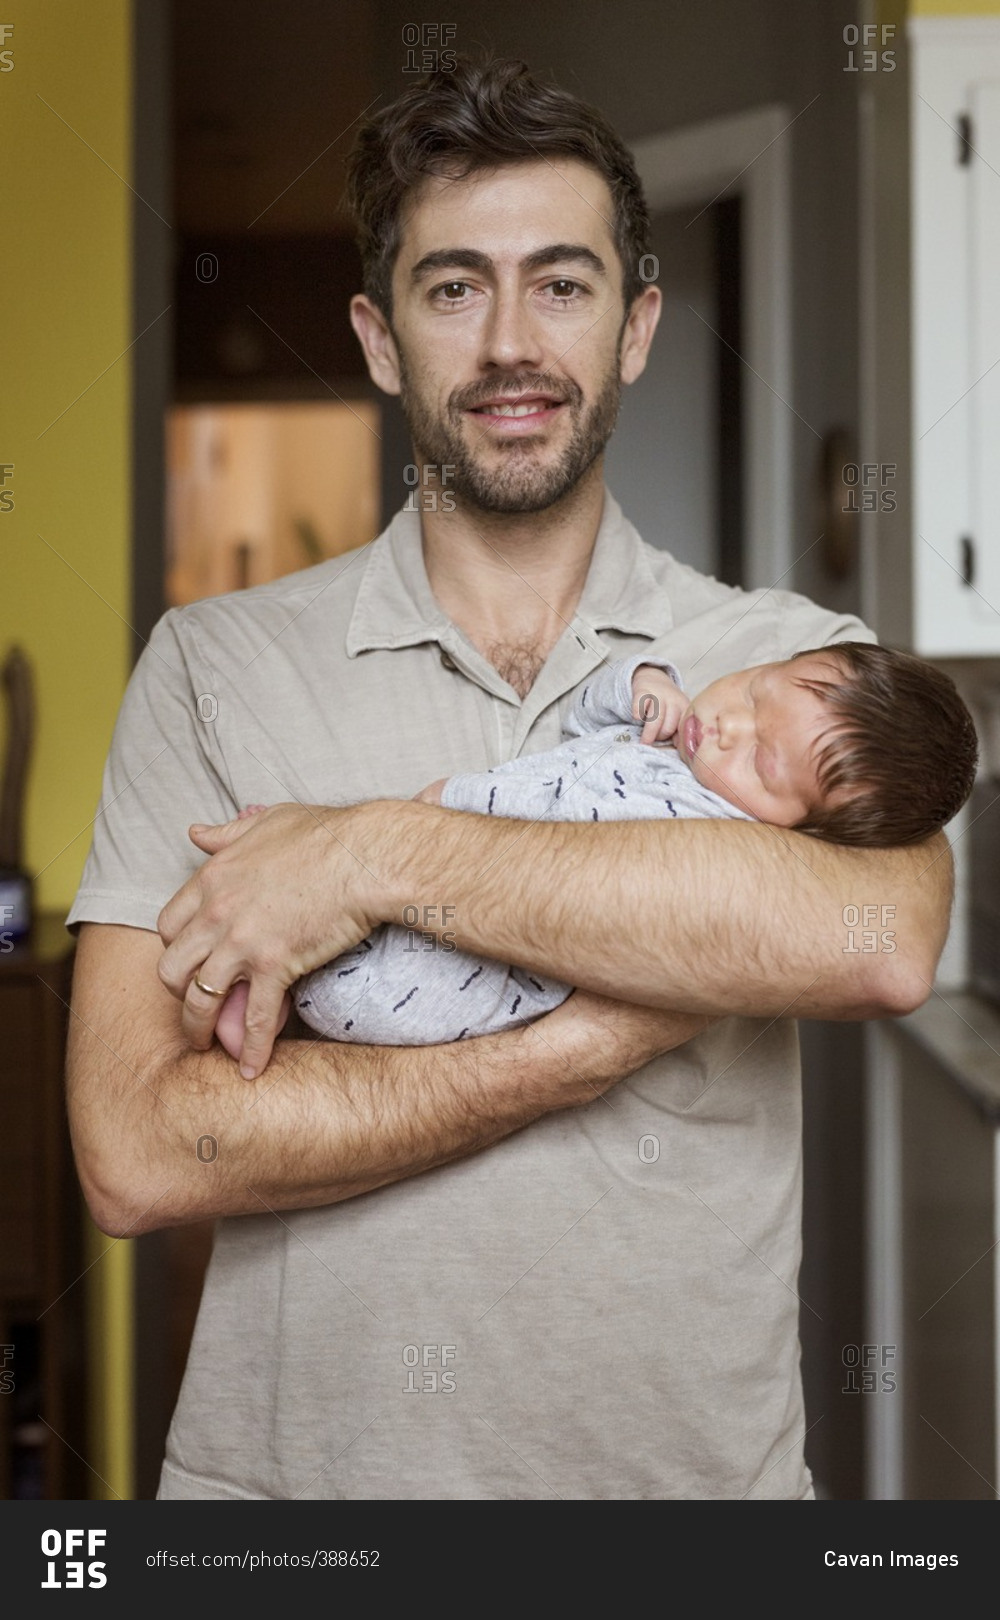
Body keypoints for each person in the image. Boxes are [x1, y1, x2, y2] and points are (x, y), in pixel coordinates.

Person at [66, 57, 954, 1501]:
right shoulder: (211, 665)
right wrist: (589, 1046)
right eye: (453, 287)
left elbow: (882, 944)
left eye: (562, 283)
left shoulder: (791, 666)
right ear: (377, 336)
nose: (511, 344)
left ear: (637, 323)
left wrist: (367, 858)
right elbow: (137, 1153)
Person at [214, 641, 977, 1051]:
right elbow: (585, 722)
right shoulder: (680, 738)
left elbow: (554, 824)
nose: (729, 727)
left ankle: (290, 997)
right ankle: (280, 951)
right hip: (430, 887)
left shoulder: (700, 824)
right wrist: (642, 680)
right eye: (754, 689)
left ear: (803, 832)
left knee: (400, 974)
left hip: (495, 966)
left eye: (762, 761)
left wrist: (438, 813)